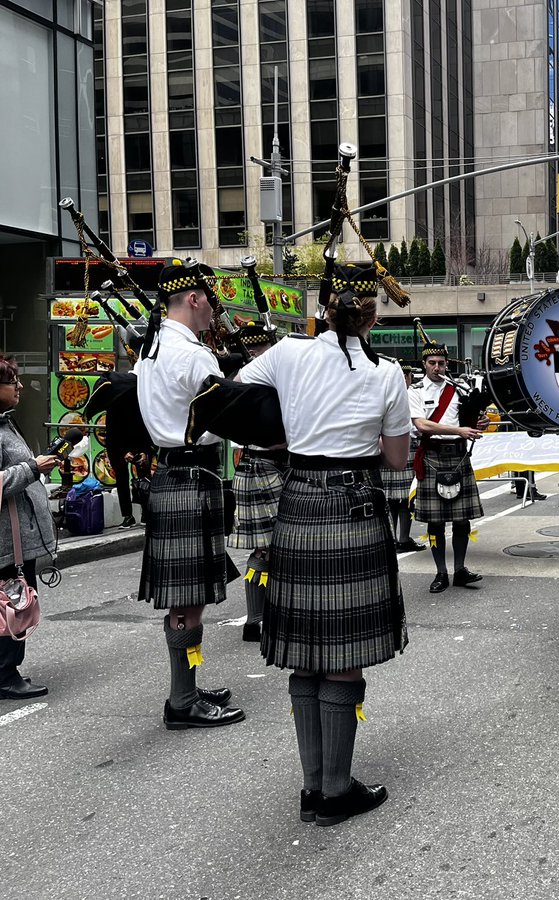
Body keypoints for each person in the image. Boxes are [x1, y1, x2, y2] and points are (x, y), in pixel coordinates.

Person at [238, 263, 409, 826]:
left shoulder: (288, 353)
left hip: (297, 502)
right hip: (354, 506)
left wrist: (293, 425)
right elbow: (396, 459)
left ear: (323, 306)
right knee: (343, 660)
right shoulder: (387, 373)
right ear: (372, 314)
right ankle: (336, 790)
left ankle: (313, 787)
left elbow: (238, 393)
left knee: (306, 657)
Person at [134, 260, 244, 730]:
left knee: (187, 595)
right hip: (193, 476)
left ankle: (189, 685)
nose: (213, 313)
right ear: (193, 298)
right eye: (210, 301)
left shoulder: (151, 351)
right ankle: (182, 701)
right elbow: (226, 418)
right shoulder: (195, 356)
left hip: (168, 474)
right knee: (189, 599)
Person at [0, 356, 59, 699]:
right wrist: (32, 468)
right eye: (12, 382)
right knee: (11, 605)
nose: (20, 387)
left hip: (18, 539)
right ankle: (5, 675)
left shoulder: (7, 424)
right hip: (6, 542)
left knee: (13, 601)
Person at [409, 341, 489, 593]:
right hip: (432, 456)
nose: (437, 367)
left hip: (458, 456)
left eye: (441, 363)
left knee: (461, 520)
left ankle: (460, 570)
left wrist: (480, 422)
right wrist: (458, 430)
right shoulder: (416, 391)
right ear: (424, 365)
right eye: (432, 363)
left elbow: (471, 419)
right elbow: (421, 425)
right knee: (435, 522)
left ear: (447, 364)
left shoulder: (459, 389)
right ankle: (440, 573)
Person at [227, 325, 288, 644]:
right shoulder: (247, 379)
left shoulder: (271, 375)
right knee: (265, 546)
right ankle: (256, 619)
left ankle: (267, 615)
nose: (258, 353)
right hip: (261, 463)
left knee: (277, 546)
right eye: (258, 348)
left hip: (278, 464)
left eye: (262, 347)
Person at [381, 362, 425, 553]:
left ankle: (396, 539)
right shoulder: (409, 395)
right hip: (405, 447)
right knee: (404, 499)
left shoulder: (383, 392)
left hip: (386, 448)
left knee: (395, 499)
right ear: (406, 377)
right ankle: (402, 539)